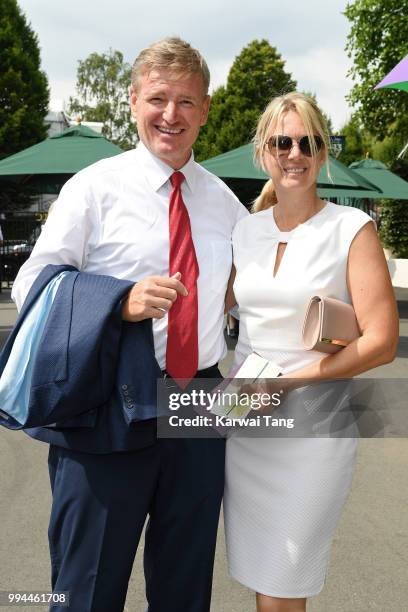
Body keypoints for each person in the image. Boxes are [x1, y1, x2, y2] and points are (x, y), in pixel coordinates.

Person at [11, 37, 247, 612]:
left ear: (206, 109)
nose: (172, 115)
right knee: (85, 588)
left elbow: (248, 302)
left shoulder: (226, 204)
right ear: (134, 100)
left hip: (198, 403)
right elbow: (30, 286)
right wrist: (116, 301)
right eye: (159, 99)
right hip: (106, 403)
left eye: (187, 102)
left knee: (185, 585)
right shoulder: (93, 189)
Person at [223, 92, 399, 612]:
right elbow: (227, 311)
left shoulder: (352, 228)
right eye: (282, 142)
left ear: (323, 153)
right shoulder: (243, 230)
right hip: (247, 422)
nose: (294, 152)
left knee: (285, 577)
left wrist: (291, 382)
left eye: (308, 142)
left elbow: (382, 341)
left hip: (315, 427)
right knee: (263, 579)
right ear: (264, 152)